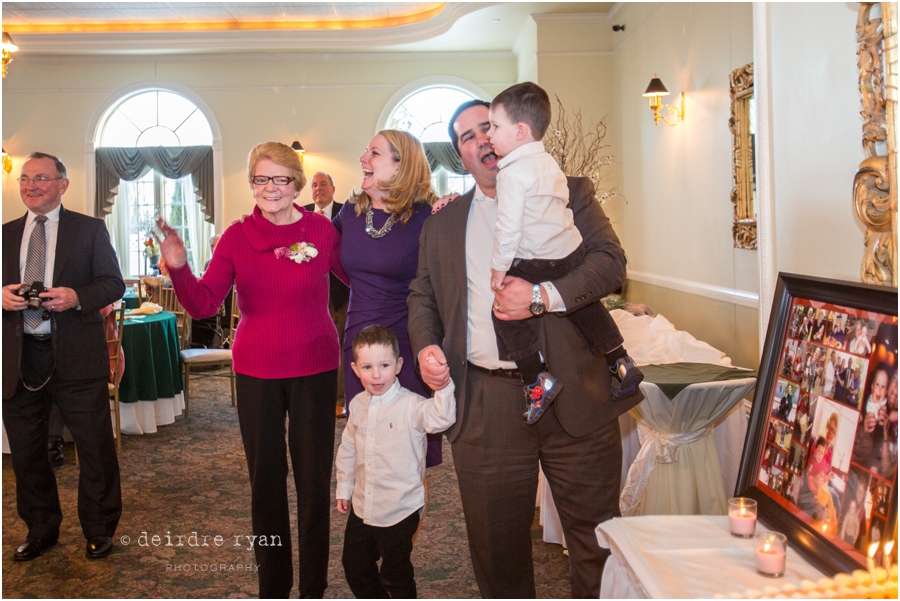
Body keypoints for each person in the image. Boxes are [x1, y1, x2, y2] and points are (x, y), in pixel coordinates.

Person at [407, 99, 643, 598]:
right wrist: (427, 346)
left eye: (486, 128)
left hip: (576, 394)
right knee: (498, 552)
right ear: (461, 157)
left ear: (511, 132)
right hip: (486, 406)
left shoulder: (567, 191)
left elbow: (609, 263)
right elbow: (422, 297)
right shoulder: (442, 225)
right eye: (467, 137)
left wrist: (541, 298)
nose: (482, 141)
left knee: (597, 542)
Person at [157, 141, 347, 598]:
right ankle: (274, 587)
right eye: (261, 179)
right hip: (257, 369)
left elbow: (361, 281)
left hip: (316, 365)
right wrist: (180, 268)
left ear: (297, 183)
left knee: (314, 480)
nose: (270, 188)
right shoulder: (237, 236)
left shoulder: (323, 231)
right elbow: (204, 303)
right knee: (265, 483)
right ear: (252, 184)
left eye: (280, 178)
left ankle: (313, 588)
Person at [484, 82, 641, 423]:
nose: (488, 136)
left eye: (494, 127)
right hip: (570, 251)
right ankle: (621, 361)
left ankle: (537, 379)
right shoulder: (547, 163)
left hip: (538, 261)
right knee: (584, 305)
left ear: (520, 131)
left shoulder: (510, 173)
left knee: (503, 314)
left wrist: (499, 270)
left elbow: (508, 230)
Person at [2, 152, 124, 561]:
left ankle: (99, 528)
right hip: (19, 360)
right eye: (24, 179)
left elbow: (112, 284)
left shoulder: (89, 230)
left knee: (93, 449)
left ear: (62, 184)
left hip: (75, 357)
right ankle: (41, 529)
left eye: (41, 178)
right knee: (27, 453)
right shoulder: (4, 234)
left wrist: (76, 297)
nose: (30, 186)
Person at [333, 129, 443, 467]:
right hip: (359, 344)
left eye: (374, 153)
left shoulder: (429, 216)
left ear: (400, 166)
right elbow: (330, 260)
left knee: (408, 457)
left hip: (406, 346)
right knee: (367, 447)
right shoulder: (350, 213)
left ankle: (406, 521)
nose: (363, 159)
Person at [335, 325, 456, 598]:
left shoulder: (412, 405)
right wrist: (344, 487)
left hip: (401, 509)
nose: (376, 375)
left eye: (384, 365)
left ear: (399, 365)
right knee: (354, 565)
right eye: (367, 367)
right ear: (355, 369)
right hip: (363, 506)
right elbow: (348, 449)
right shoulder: (357, 405)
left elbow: (441, 419)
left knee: (395, 574)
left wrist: (443, 386)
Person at [304, 171, 350, 416]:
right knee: (312, 344)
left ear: (333, 188)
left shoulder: (347, 213)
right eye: (314, 185)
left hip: (340, 292)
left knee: (341, 345)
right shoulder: (300, 213)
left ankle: (339, 400)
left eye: (323, 184)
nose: (318, 188)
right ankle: (312, 398)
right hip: (310, 293)